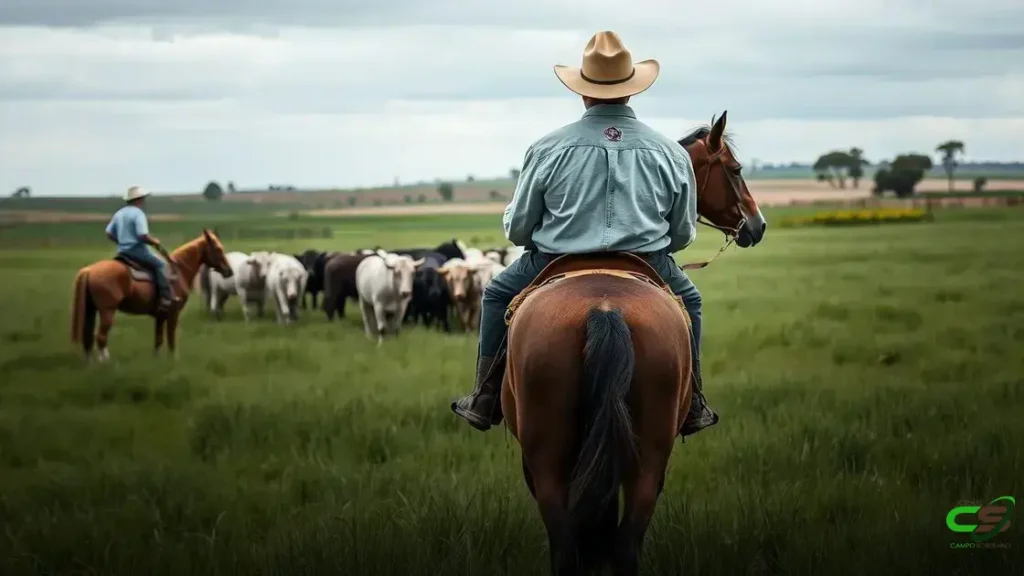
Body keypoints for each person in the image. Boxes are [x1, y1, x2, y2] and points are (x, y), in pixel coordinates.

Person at [450, 30, 719, 438]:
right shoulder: (669, 152)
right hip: (647, 262)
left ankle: (485, 396)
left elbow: (519, 229)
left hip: (554, 260)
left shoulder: (547, 148)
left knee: (496, 295)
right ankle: (695, 400)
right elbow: (682, 234)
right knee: (692, 301)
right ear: (632, 91)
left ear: (582, 92)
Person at [105, 185, 178, 312]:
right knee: (160, 265)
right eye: (142, 198)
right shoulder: (138, 214)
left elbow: (109, 232)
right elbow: (142, 235)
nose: (143, 201)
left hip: (122, 252)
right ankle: (166, 299)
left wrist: (120, 241)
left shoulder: (119, 213)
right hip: (137, 251)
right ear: (138, 199)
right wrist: (154, 241)